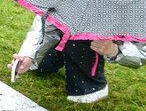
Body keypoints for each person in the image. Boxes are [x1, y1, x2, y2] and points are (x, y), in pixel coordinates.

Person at [9, 15, 145, 103]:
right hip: (63, 39)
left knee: (78, 39)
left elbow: (142, 53)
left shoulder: (136, 5)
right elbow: (44, 21)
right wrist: (27, 55)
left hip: (90, 44)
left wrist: (113, 50)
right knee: (41, 68)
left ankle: (91, 86)